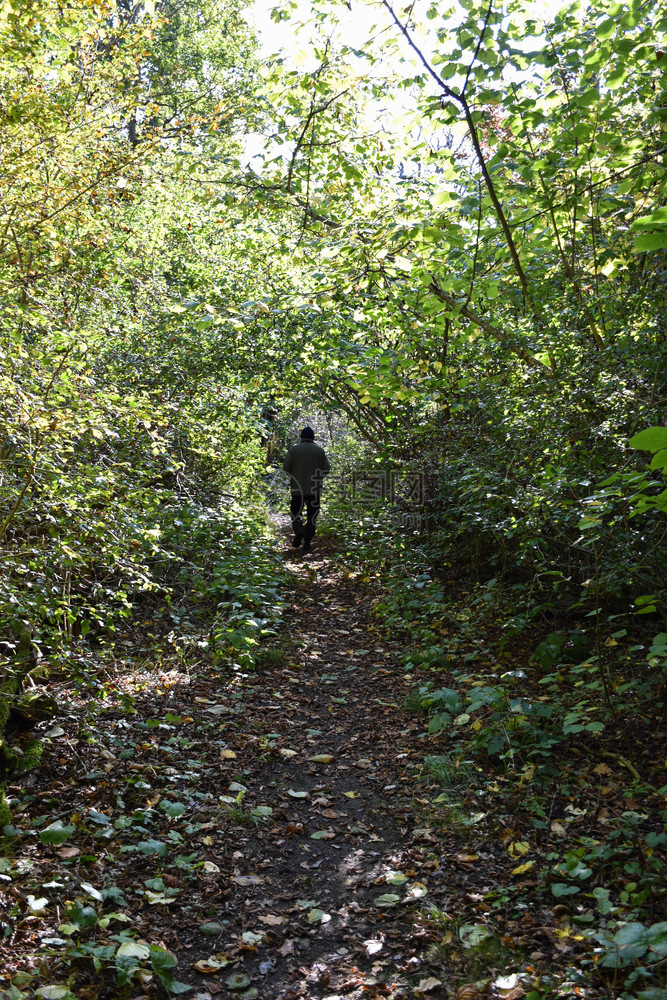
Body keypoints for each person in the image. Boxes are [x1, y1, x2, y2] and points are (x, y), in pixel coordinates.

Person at [282, 426, 331, 552]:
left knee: (295, 512)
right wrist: (318, 477)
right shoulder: (319, 451)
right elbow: (327, 469)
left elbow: (286, 467)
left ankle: (299, 530)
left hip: (297, 489)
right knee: (312, 516)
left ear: (301, 437)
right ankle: (307, 543)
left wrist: (295, 476)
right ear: (313, 437)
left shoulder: (294, 450)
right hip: (314, 489)